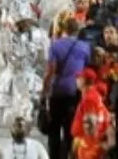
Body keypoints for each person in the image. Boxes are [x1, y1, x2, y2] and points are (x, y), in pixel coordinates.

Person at [42, 20, 89, 159]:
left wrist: (44, 92)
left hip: (57, 92)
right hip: (75, 92)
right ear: (77, 31)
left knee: (54, 129)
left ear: (64, 29)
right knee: (71, 129)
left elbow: (50, 72)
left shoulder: (55, 46)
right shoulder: (85, 47)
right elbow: (85, 68)